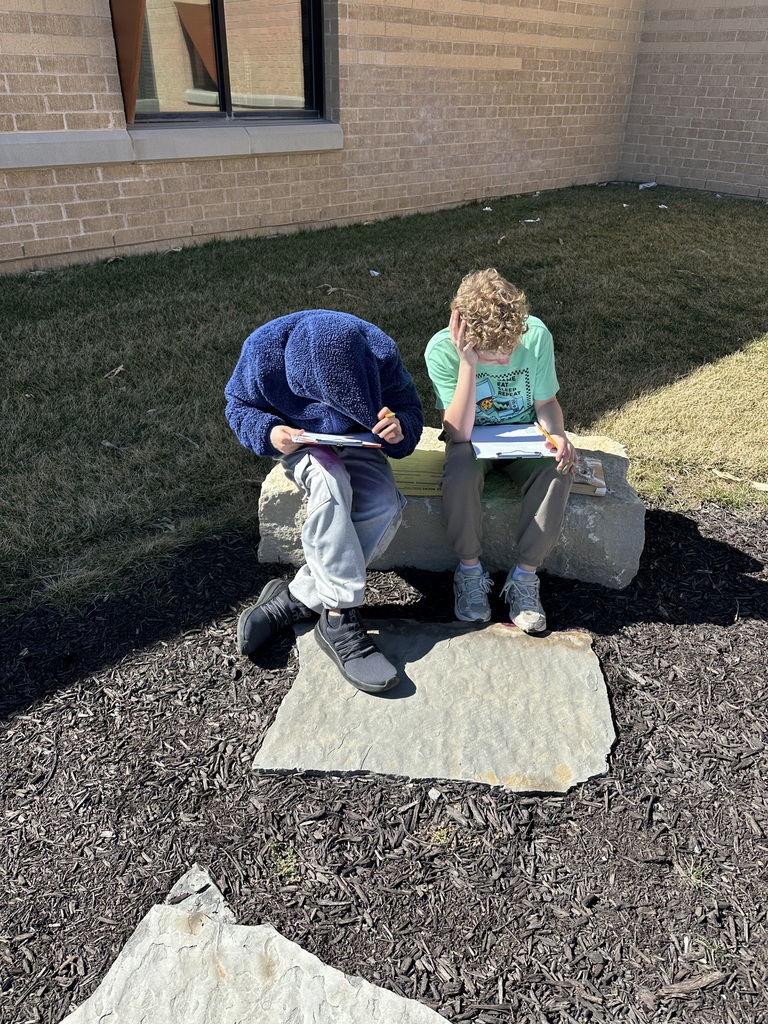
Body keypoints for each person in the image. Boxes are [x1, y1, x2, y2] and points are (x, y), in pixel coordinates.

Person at [225, 309, 423, 694]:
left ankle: (298, 596)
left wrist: (399, 430)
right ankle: (339, 616)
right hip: (303, 444)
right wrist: (269, 432)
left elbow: (409, 411)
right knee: (330, 484)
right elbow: (237, 406)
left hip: (362, 442)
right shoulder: (263, 350)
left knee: (384, 502)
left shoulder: (379, 351)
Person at [424, 269, 575, 632]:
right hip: (472, 439)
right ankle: (470, 571)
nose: (506, 361)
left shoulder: (535, 335)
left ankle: (525, 577)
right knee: (459, 473)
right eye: (493, 357)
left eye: (510, 351)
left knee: (559, 468)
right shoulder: (442, 351)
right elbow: (458, 432)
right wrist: (468, 366)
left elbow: (546, 402)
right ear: (464, 337)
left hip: (525, 436)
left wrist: (557, 435)